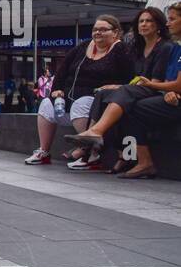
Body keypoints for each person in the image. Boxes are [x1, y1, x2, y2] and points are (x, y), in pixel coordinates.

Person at [66, 7, 177, 171]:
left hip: (155, 89)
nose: (144, 24)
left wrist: (124, 87)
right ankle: (118, 152)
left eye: (149, 21)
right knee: (103, 93)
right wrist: (119, 86)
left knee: (122, 95)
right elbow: (134, 79)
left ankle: (94, 136)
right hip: (139, 88)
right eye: (141, 21)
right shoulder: (138, 48)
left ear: (159, 25)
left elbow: (154, 81)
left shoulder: (165, 47)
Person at [24, 15, 134, 165]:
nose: (98, 33)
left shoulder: (121, 50)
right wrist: (57, 90)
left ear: (115, 33)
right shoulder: (83, 47)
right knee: (46, 105)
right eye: (95, 29)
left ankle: (92, 153)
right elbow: (62, 70)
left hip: (98, 101)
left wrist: (116, 87)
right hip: (69, 96)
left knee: (80, 105)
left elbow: (130, 78)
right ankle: (44, 151)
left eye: (103, 30)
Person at [116, 31, 181, 179]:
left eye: (172, 19)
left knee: (133, 106)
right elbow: (171, 80)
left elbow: (179, 84)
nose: (168, 24)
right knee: (127, 103)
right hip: (170, 96)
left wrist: (152, 84)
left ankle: (140, 161)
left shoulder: (169, 48)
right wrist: (169, 91)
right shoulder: (175, 48)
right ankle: (131, 158)